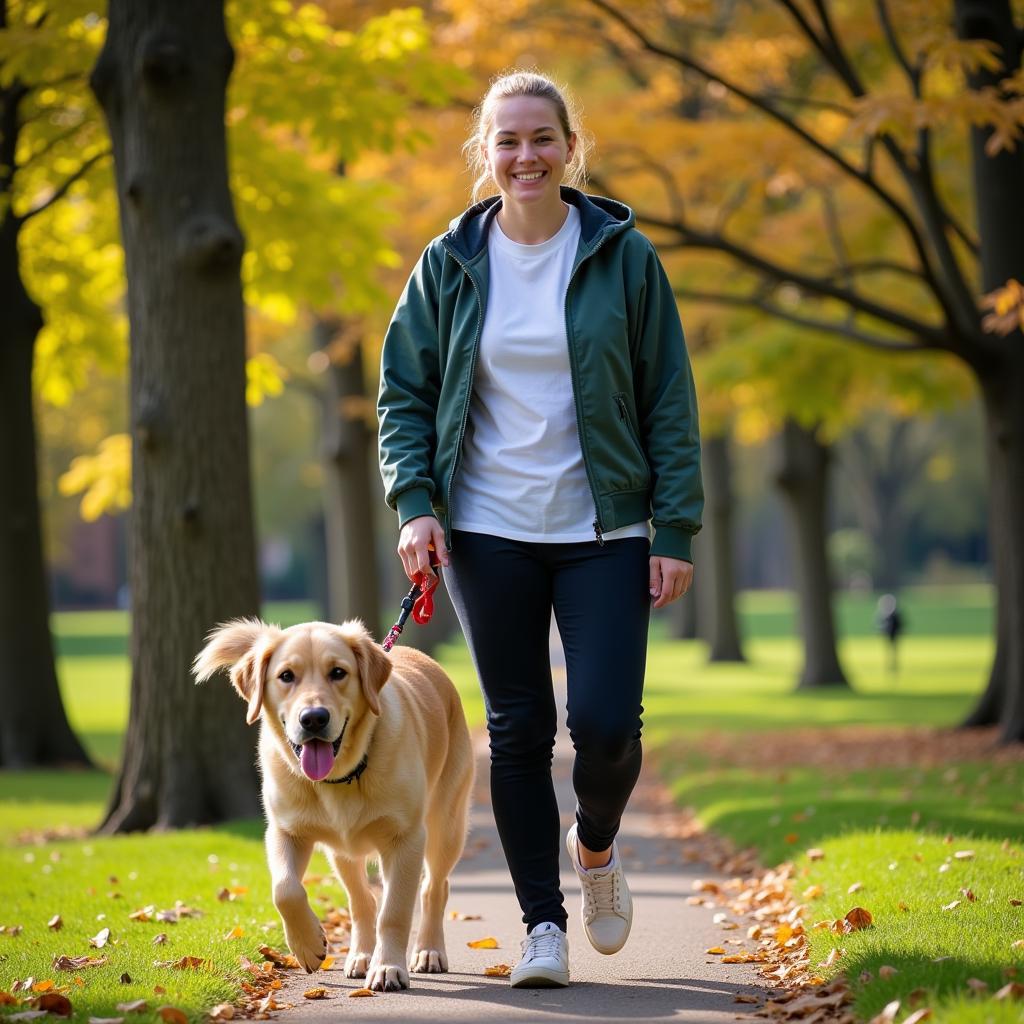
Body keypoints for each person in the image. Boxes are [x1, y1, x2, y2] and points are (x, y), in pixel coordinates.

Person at [377, 70, 702, 988]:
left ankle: (593, 845)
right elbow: (402, 394)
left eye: (541, 138)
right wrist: (417, 504)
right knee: (518, 729)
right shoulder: (449, 262)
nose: (525, 156)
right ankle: (541, 926)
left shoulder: (623, 256)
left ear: (571, 148)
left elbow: (668, 397)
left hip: (604, 530)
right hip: (486, 530)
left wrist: (673, 525)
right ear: (486, 154)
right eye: (507, 141)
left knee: (603, 728)